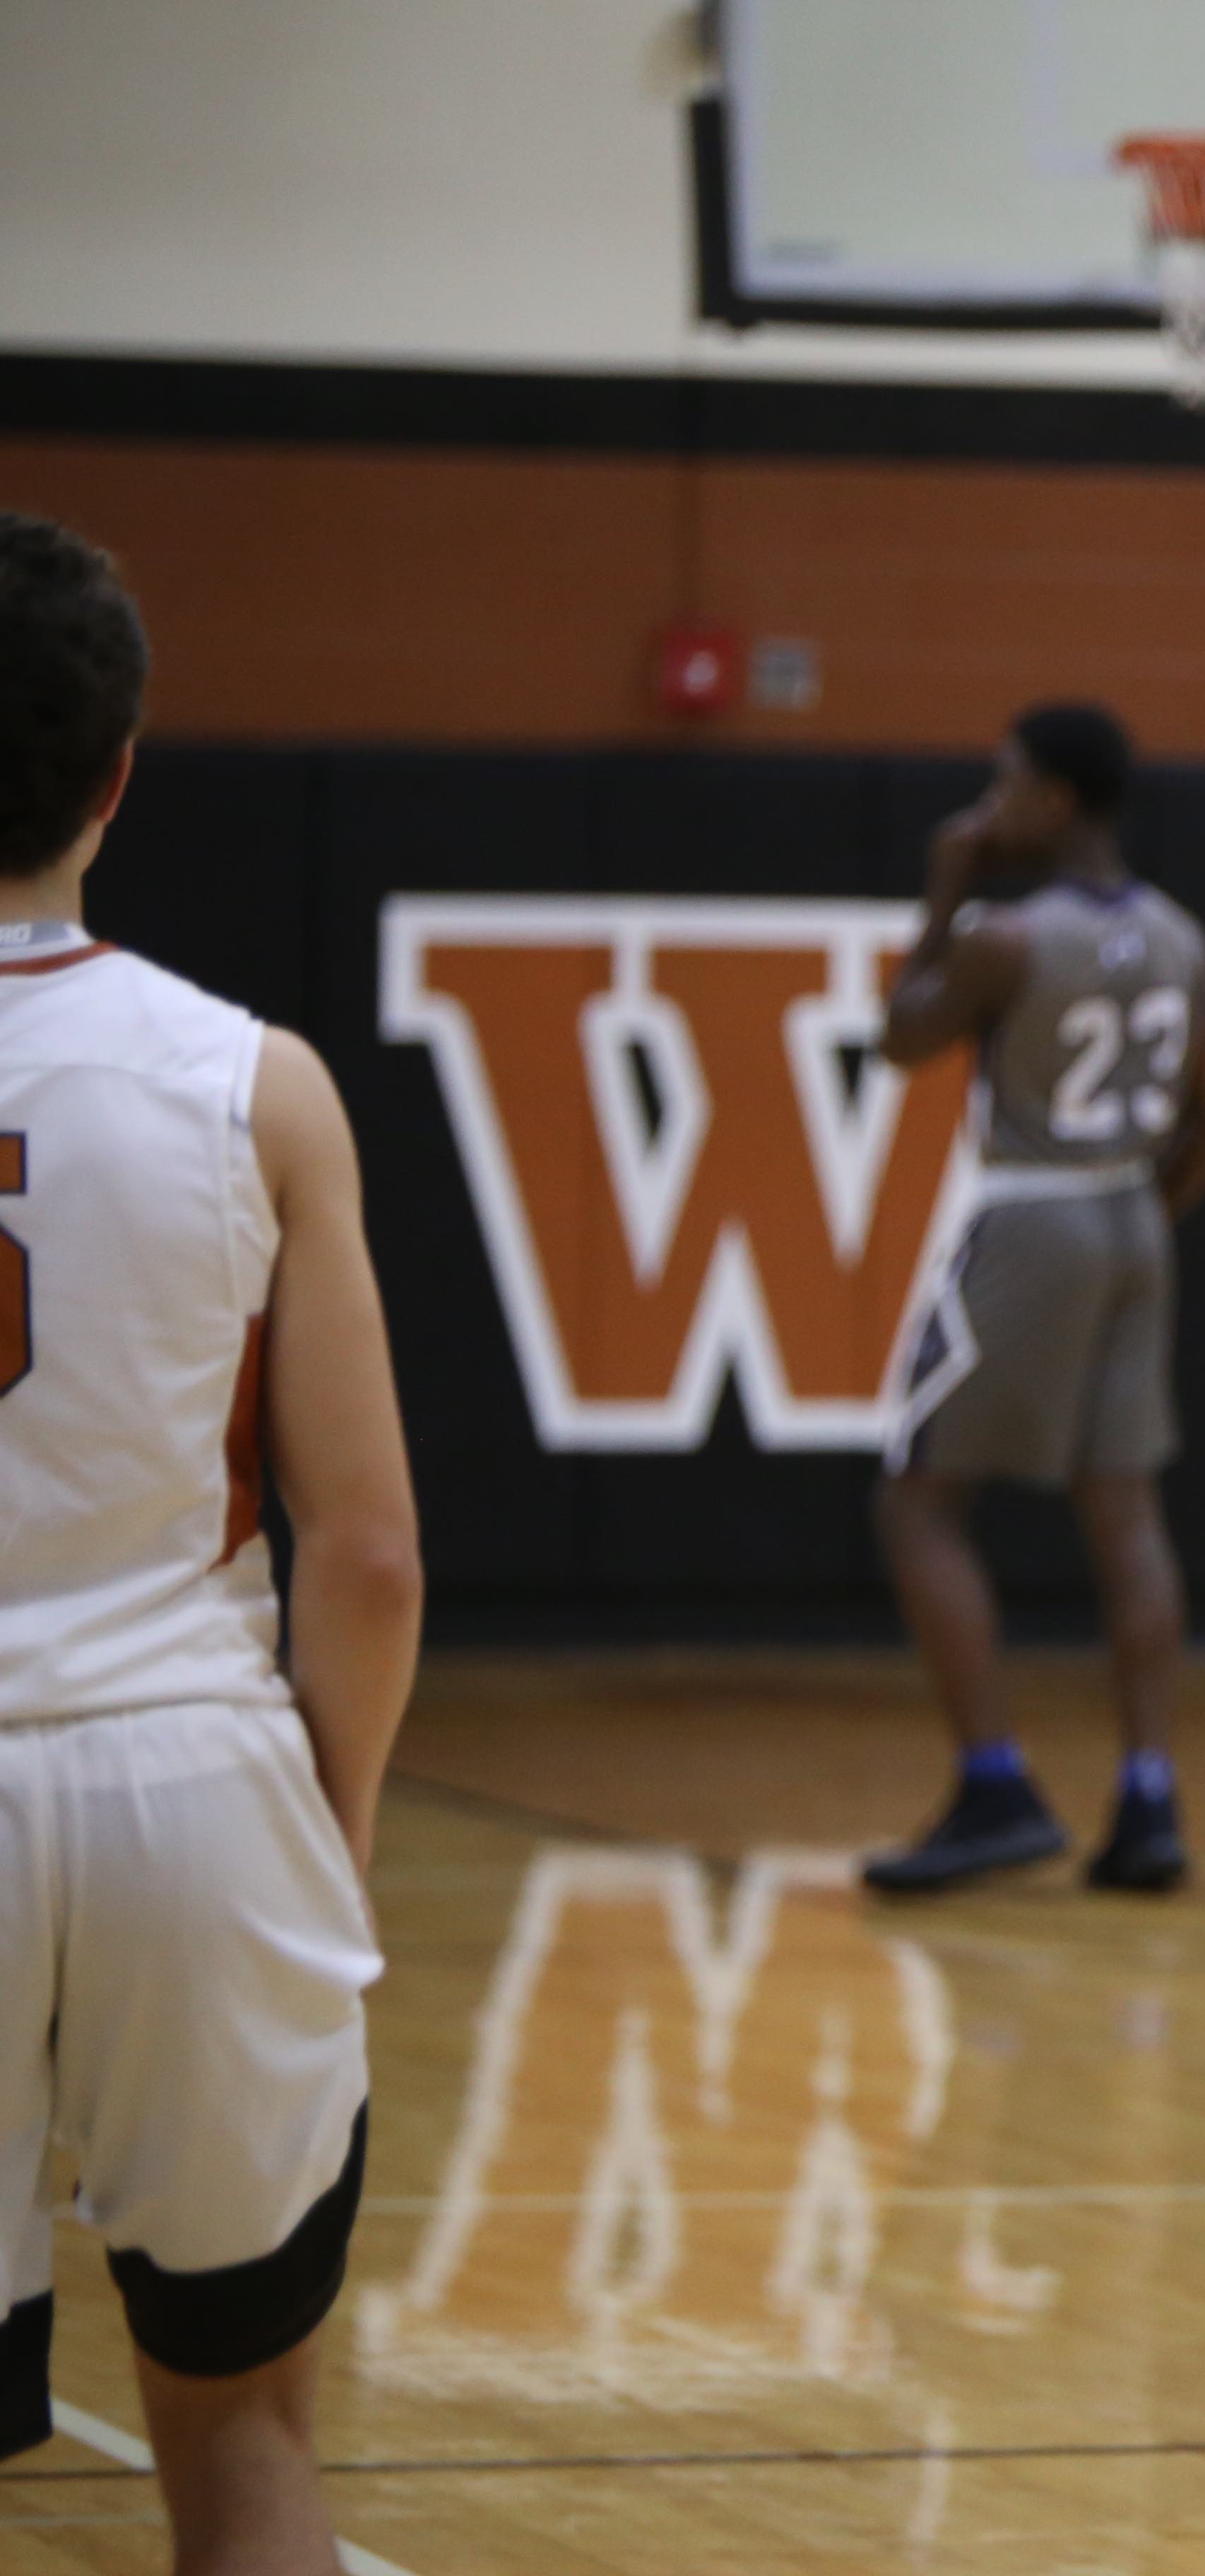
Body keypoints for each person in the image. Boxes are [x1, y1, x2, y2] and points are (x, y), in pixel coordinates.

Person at [0, 512, 422, 2570]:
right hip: (188, 1779)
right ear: (121, 767)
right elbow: (367, 1555)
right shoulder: (257, 1087)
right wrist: (318, 1818)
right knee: (245, 2435)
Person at [861, 703, 1205, 1900]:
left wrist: (942, 881)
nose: (991, 807)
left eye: (1006, 785)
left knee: (918, 1503)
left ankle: (992, 1785)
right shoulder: (1182, 938)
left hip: (1032, 1214)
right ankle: (1147, 1802)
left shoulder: (1003, 938)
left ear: (1056, 802)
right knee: (1124, 1513)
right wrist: (1135, 1222)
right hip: (1134, 1214)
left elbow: (896, 1039)